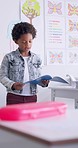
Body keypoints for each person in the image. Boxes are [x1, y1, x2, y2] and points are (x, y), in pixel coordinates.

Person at [0, 22, 49, 105]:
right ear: (16, 41)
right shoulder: (9, 57)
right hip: (14, 97)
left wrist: (43, 83)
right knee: (14, 118)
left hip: (32, 97)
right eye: (24, 42)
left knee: (30, 118)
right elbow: (2, 76)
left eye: (30, 41)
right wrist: (13, 84)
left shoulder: (36, 58)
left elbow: (37, 78)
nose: (27, 45)